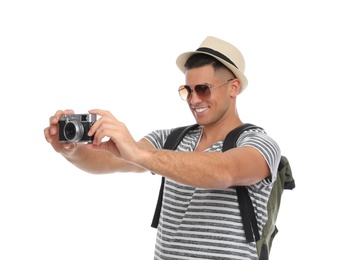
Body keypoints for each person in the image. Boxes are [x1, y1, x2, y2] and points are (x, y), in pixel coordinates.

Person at [44, 36, 281, 260]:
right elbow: (110, 161)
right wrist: (70, 150)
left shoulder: (259, 144)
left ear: (233, 87)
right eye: (187, 90)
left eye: (203, 89)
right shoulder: (171, 139)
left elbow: (225, 171)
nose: (194, 100)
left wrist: (140, 153)